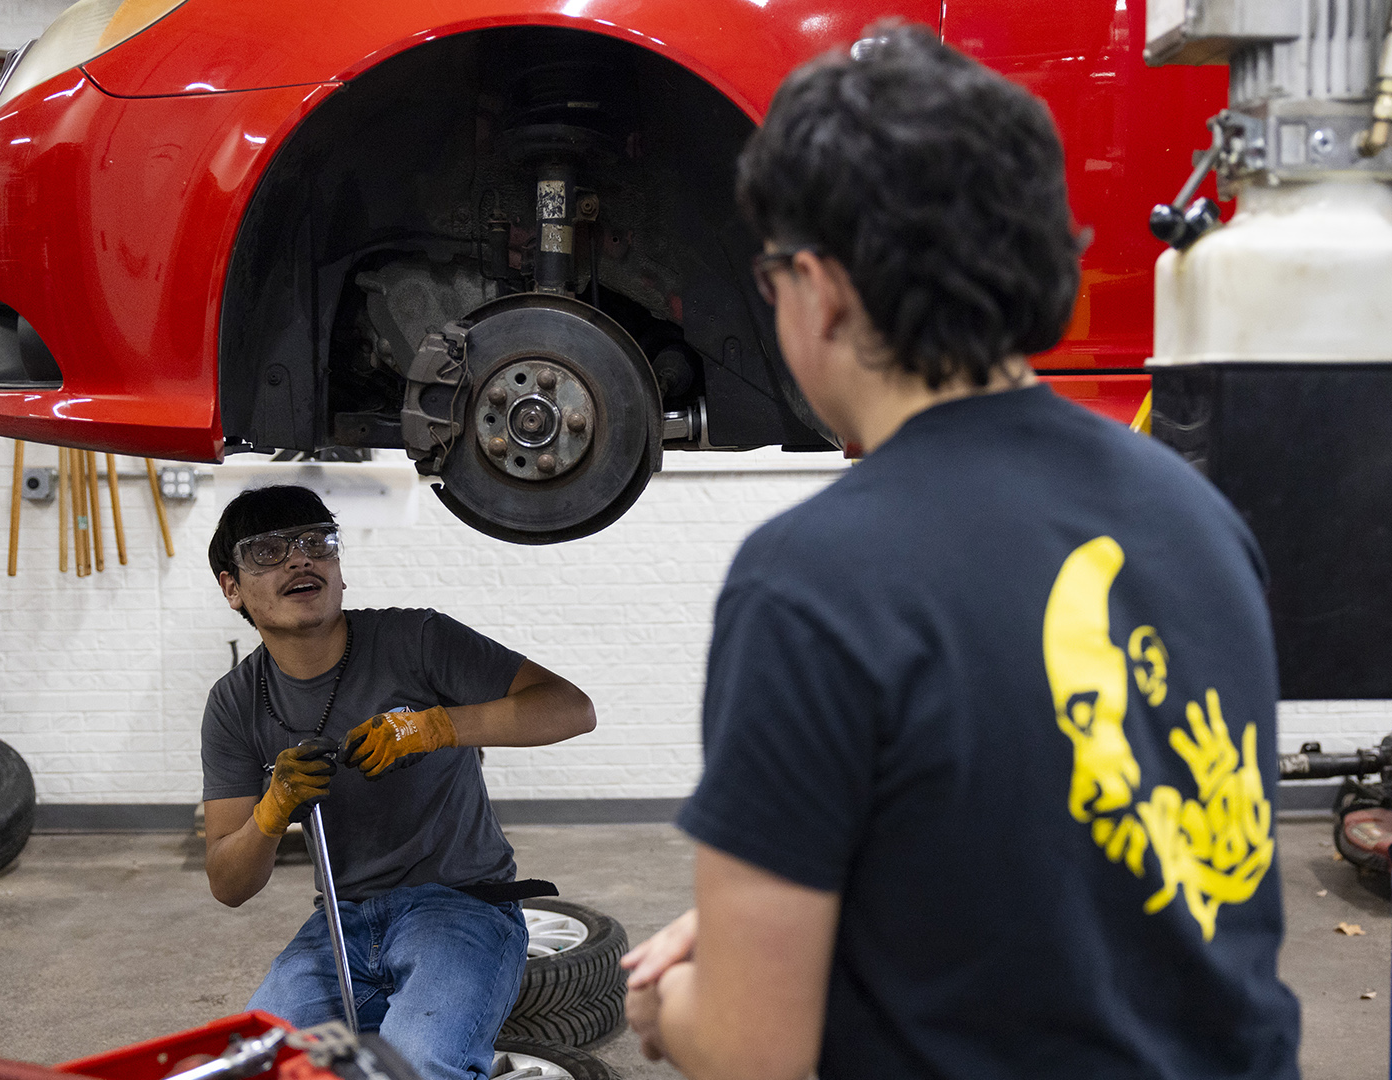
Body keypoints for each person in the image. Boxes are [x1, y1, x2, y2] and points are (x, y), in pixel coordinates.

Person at [620, 24, 1301, 1080]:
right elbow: (1086, 893)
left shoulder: (811, 580)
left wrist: (673, 1005)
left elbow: (754, 1053)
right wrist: (781, 932)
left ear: (821, 286)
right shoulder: (1195, 513)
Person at [200, 484, 595, 1080]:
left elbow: (570, 708)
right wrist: (272, 809)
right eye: (268, 552)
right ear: (232, 589)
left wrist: (435, 726)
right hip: (340, 919)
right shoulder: (234, 703)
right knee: (255, 1068)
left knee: (416, 1067)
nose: (299, 559)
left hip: (464, 905)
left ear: (339, 570)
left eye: (317, 543)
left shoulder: (417, 640)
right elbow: (229, 883)